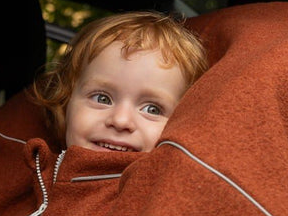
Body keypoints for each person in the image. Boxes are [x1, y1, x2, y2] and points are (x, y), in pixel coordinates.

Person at [28, 10, 209, 153]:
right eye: (102, 98)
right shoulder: (34, 172)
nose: (121, 121)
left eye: (152, 109)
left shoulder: (160, 196)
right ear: (66, 103)